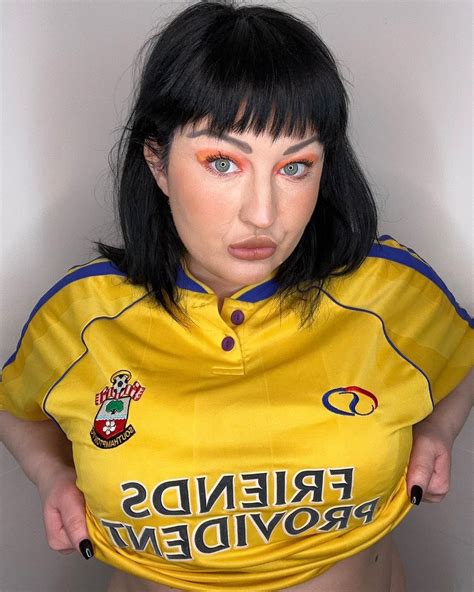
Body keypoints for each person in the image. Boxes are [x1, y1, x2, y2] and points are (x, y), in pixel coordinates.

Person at [0, 1, 472, 591]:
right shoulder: (81, 316)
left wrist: (438, 430)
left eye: (295, 167)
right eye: (223, 162)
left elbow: (463, 354)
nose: (263, 213)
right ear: (157, 161)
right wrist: (50, 474)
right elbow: (14, 405)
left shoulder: (391, 291)